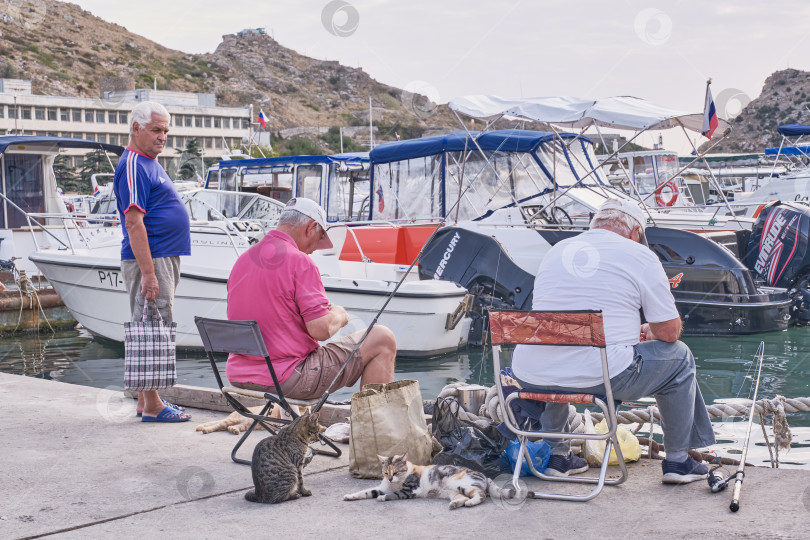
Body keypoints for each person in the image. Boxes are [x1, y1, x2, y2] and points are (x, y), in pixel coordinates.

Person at [511, 198, 716, 484]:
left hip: (531, 374)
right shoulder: (639, 254)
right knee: (679, 357)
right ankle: (678, 462)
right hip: (604, 375)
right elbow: (669, 332)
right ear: (635, 233)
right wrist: (650, 333)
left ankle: (558, 456)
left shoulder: (557, 250)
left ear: (596, 225)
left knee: (561, 353)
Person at [226, 197, 396, 400]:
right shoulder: (300, 261)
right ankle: (373, 427)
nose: (316, 248)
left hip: (238, 375)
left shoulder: (243, 261)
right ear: (311, 228)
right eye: (320, 238)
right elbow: (321, 330)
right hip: (287, 379)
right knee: (382, 338)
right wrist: (339, 315)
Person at [114, 101, 192, 423]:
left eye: (166, 131)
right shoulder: (134, 164)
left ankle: (147, 401)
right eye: (157, 130)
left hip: (161, 257)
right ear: (136, 129)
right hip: (152, 259)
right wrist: (148, 273)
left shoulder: (148, 162)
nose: (163, 137)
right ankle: (154, 405)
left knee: (151, 327)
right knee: (152, 328)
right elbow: (134, 222)